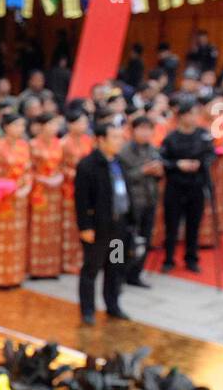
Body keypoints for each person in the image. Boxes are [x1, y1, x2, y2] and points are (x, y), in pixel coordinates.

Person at [75, 121, 132, 325]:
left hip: (118, 227)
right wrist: (85, 227)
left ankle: (113, 305)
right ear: (100, 140)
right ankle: (88, 310)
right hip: (98, 229)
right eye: (115, 137)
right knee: (92, 269)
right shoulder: (87, 166)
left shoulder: (119, 162)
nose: (120, 141)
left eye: (120, 137)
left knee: (115, 266)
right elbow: (81, 201)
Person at [159, 95, 214, 272]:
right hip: (175, 185)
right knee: (172, 225)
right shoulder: (171, 137)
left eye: (195, 114)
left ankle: (191, 258)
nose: (193, 118)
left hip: (196, 184)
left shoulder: (203, 135)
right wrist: (177, 165)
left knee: (194, 224)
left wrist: (201, 164)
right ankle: (168, 258)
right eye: (190, 114)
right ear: (181, 116)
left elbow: (211, 155)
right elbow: (163, 159)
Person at [117, 114, 162, 286]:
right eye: (141, 128)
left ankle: (135, 274)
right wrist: (143, 171)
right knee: (124, 241)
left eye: (148, 129)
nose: (145, 133)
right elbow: (122, 177)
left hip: (149, 200)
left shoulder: (153, 149)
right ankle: (118, 275)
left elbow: (157, 174)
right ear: (132, 130)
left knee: (145, 238)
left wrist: (158, 172)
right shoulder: (124, 151)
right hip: (130, 203)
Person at [0, 112, 32, 286]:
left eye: (22, 126)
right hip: (6, 199)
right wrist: (14, 190)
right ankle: (2, 276)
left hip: (22, 198)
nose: (21, 129)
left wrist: (27, 187)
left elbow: (29, 170)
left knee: (19, 237)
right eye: (17, 125)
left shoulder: (24, 145)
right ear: (7, 127)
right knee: (4, 237)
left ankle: (17, 275)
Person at [27, 112, 65, 278]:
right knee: (38, 229)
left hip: (56, 192)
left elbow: (63, 165)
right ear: (42, 126)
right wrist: (41, 179)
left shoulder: (59, 144)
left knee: (53, 229)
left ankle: (52, 267)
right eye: (51, 124)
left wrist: (60, 177)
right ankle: (36, 268)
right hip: (39, 191)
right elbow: (28, 170)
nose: (55, 128)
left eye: (56, 125)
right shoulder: (33, 145)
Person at [60, 102, 93, 275]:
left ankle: (83, 259)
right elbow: (59, 167)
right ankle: (67, 261)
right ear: (70, 124)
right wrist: (76, 174)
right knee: (69, 226)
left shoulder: (89, 141)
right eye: (80, 122)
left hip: (87, 189)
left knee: (85, 223)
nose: (83, 126)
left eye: (85, 122)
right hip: (69, 189)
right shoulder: (64, 143)